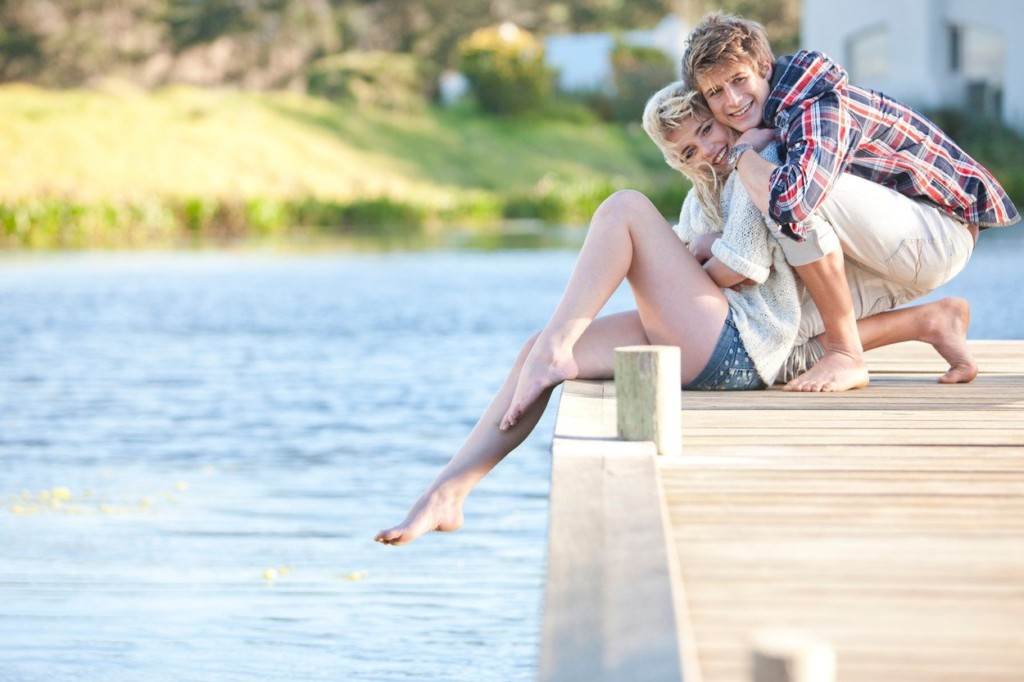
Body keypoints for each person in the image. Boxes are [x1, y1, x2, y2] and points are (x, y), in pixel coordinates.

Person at [374, 84, 975, 547]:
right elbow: (696, 263)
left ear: (723, 120)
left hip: (736, 344)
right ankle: (450, 491)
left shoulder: (754, 164)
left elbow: (744, 267)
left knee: (624, 209)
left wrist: (695, 258)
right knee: (535, 349)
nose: (706, 149)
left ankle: (558, 344)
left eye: (706, 130)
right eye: (687, 150)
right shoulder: (699, 197)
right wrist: (690, 258)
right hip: (719, 332)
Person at [680, 13, 1019, 392]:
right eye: (716, 92)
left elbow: (792, 204)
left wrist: (742, 154)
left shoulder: (816, 104)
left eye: (739, 80)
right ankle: (934, 321)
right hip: (885, 248)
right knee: (774, 342)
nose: (732, 100)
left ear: (763, 66)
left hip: (939, 234)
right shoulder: (769, 121)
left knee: (788, 191)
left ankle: (846, 354)